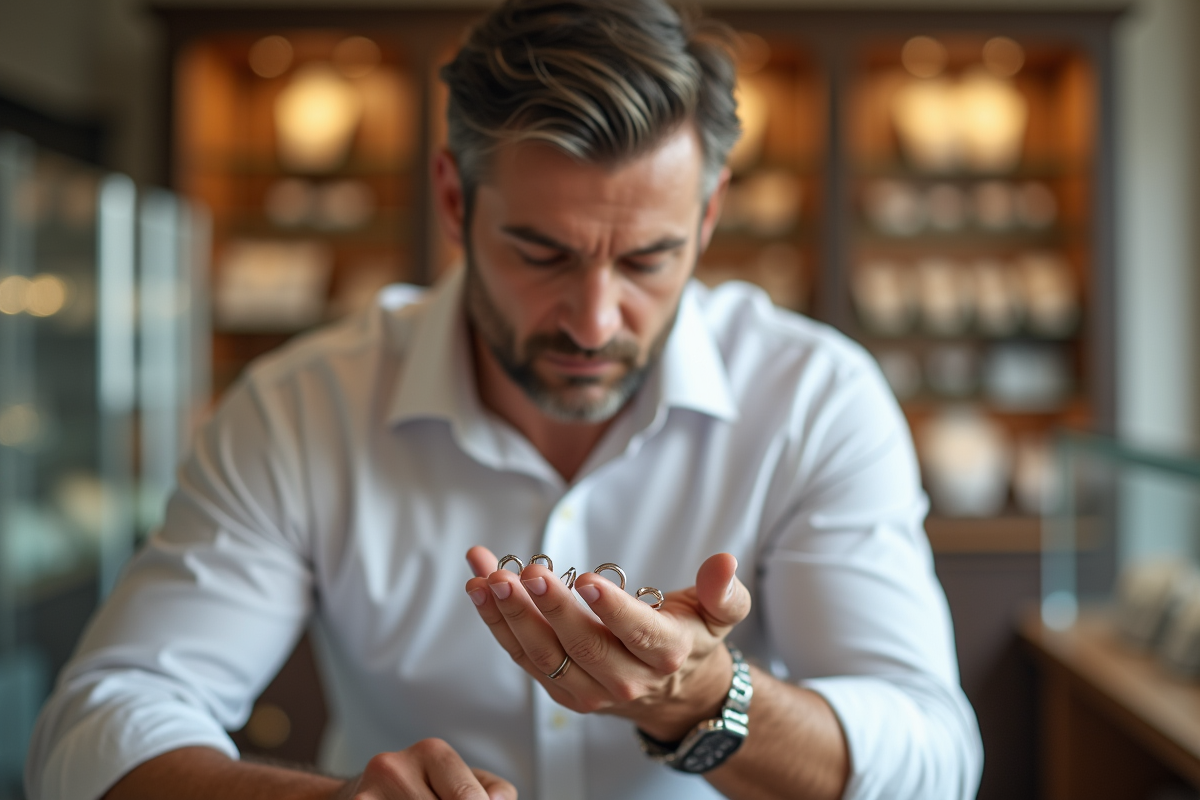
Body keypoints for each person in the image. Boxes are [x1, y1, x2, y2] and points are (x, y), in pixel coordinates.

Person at [26, 1, 983, 798]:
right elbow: (93, 727)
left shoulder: (815, 398)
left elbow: (936, 761)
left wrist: (704, 700)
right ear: (453, 200)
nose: (595, 321)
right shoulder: (299, 408)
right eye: (543, 253)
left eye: (648, 258)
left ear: (709, 214)